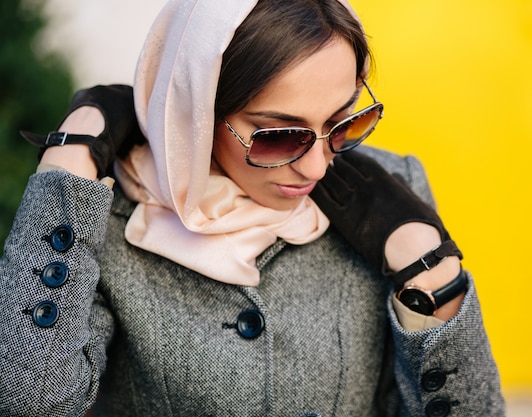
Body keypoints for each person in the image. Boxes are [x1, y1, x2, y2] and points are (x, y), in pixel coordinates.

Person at [0, 0, 505, 415]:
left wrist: (428, 268)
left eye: (344, 122)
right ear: (195, 109)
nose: (316, 168)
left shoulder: (391, 193)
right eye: (278, 135)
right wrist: (68, 163)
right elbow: (29, 401)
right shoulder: (99, 213)